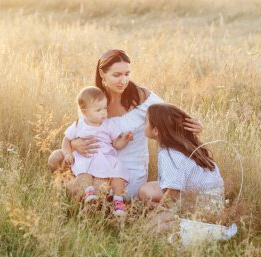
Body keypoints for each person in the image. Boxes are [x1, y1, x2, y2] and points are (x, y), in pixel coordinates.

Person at [48, 49, 203, 201]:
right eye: (117, 75)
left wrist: (194, 125)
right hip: (96, 161)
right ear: (102, 74)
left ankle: (89, 197)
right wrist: (74, 144)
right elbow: (83, 129)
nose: (123, 80)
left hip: (127, 170)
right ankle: (81, 195)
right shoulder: (93, 99)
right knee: (56, 157)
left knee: (98, 188)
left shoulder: (142, 97)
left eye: (127, 74)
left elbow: (170, 115)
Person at [139, 103, 225, 213]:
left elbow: (173, 195)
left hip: (201, 209)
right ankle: (168, 210)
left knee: (156, 225)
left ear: (156, 131)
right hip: (211, 202)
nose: (143, 124)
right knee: (145, 190)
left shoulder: (169, 154)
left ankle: (177, 214)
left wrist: (155, 214)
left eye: (145, 121)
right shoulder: (184, 145)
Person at [62, 86, 133, 216]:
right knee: (84, 172)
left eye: (105, 108)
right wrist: (67, 153)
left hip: (106, 158)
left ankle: (118, 201)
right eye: (98, 110)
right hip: (87, 156)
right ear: (84, 112)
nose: (103, 113)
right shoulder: (79, 124)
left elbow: (116, 144)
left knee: (119, 173)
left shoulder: (108, 124)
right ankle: (88, 192)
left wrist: (125, 140)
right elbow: (66, 139)